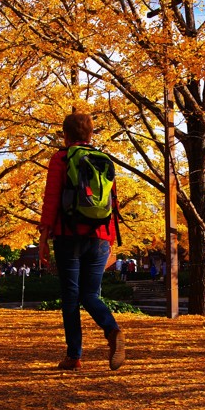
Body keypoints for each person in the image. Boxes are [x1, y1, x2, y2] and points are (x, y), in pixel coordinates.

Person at [39, 111, 126, 371]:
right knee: (90, 294)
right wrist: (110, 242)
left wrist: (44, 238)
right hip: (100, 236)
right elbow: (113, 204)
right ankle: (112, 331)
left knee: (71, 297)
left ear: (65, 135)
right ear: (90, 135)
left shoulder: (61, 159)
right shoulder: (104, 160)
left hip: (69, 235)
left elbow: (51, 200)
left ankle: (74, 356)